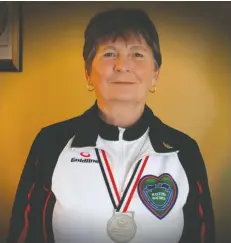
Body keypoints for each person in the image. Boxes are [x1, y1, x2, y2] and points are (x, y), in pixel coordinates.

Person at [6, 8, 215, 243]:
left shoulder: (184, 150)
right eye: (108, 54)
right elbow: (24, 234)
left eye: (137, 54)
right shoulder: (51, 142)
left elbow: (201, 235)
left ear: (155, 73)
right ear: (88, 72)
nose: (121, 65)